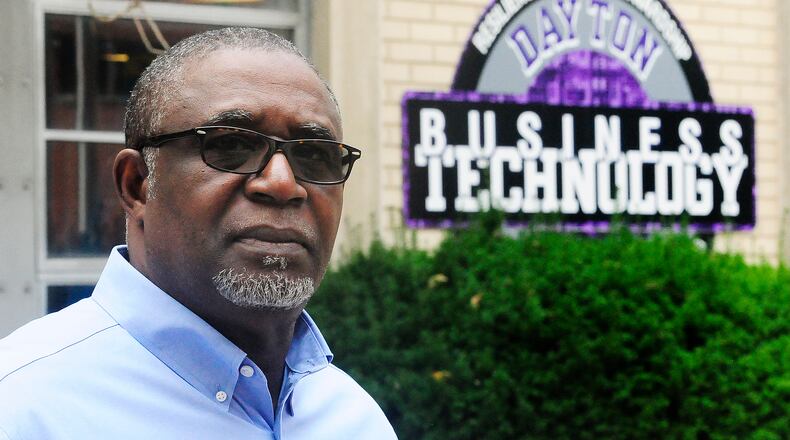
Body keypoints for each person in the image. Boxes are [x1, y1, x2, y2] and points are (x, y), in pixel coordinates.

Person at [0, 27, 396, 439]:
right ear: (137, 184)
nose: (282, 183)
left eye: (314, 155)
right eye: (230, 146)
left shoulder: (352, 418)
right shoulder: (22, 407)